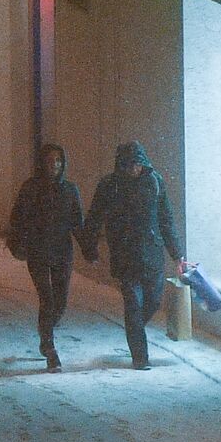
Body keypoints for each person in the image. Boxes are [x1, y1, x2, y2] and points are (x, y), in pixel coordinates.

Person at [79, 141, 185, 370]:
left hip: (152, 255)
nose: (133, 170)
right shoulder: (109, 186)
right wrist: (89, 247)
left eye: (137, 164)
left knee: (153, 302)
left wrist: (177, 255)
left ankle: (134, 329)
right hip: (125, 255)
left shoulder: (154, 182)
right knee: (134, 305)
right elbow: (95, 217)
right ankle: (140, 356)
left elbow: (166, 220)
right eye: (129, 165)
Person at [7, 143, 84, 372]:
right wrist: (17, 243)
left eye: (59, 161)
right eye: (50, 161)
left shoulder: (69, 191)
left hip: (62, 252)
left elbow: (76, 223)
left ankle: (46, 331)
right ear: (42, 164)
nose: (55, 165)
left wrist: (88, 248)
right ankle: (49, 348)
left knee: (60, 302)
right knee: (47, 299)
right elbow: (18, 219)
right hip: (38, 251)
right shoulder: (30, 189)